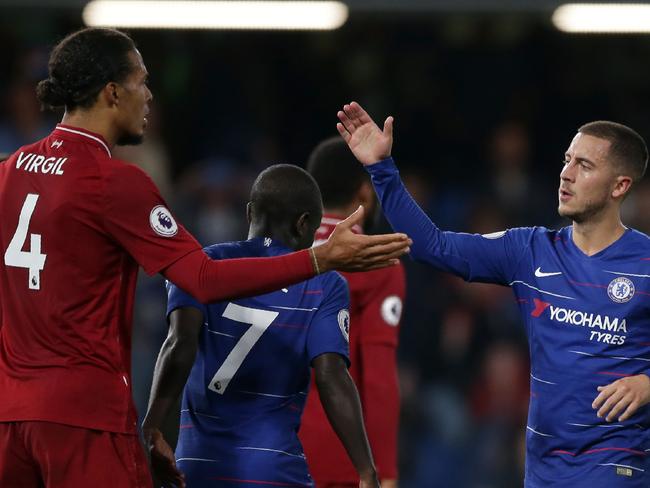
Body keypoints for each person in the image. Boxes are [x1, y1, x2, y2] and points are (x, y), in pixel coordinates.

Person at [0, 27, 410, 488]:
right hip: (82, 418)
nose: (150, 96)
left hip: (9, 419)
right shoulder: (114, 183)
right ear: (112, 92)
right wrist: (318, 260)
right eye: (142, 81)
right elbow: (203, 278)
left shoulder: (7, 172)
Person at [336, 101, 650, 487]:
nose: (566, 175)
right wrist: (381, 170)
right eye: (568, 160)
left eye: (584, 166)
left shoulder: (645, 263)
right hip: (543, 469)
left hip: (616, 465)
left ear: (620, 186)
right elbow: (432, 246)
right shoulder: (530, 250)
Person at [143, 164, 380, 488]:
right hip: (273, 471)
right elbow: (331, 374)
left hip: (196, 468)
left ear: (249, 212)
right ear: (304, 224)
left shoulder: (200, 266)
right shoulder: (324, 284)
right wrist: (366, 471)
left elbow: (178, 344)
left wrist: (151, 426)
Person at [299, 137, 405, 488]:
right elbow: (377, 379)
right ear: (364, 192)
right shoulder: (378, 263)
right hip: (340, 457)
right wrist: (385, 471)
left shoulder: (280, 258)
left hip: (269, 448)